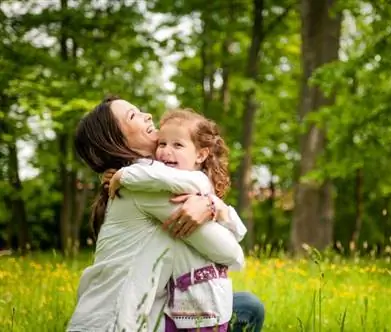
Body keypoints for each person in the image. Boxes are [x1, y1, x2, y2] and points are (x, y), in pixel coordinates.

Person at [67, 96, 264, 332]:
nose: (147, 115)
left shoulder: (143, 178)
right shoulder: (144, 186)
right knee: (248, 308)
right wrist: (213, 206)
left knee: (246, 305)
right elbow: (231, 253)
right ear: (116, 140)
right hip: (116, 324)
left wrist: (212, 206)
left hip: (133, 315)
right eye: (133, 115)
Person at [105, 108, 243, 331]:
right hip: (178, 300)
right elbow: (155, 174)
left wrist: (124, 175)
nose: (165, 151)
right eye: (162, 144)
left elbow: (234, 242)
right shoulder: (166, 181)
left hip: (208, 301)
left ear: (200, 155)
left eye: (177, 145)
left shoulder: (193, 181)